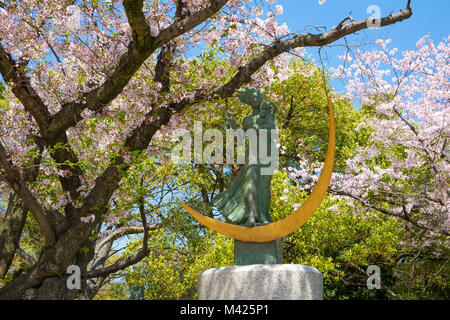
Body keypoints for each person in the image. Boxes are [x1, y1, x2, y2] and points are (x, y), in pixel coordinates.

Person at [213, 88, 278, 226]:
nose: (256, 98)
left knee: (264, 185)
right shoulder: (247, 120)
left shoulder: (269, 114)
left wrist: (271, 115)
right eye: (253, 97)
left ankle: (264, 216)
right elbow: (240, 137)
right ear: (249, 101)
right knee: (250, 185)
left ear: (261, 98)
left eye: (258, 95)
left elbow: (273, 131)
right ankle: (251, 217)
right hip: (252, 154)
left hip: (267, 153)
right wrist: (232, 124)